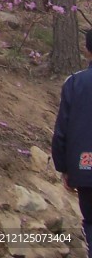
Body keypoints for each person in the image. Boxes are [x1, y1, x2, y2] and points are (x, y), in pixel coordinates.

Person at [52, 28, 92, 258]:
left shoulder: (75, 83)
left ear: (87, 50)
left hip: (86, 168)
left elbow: (62, 131)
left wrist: (64, 167)